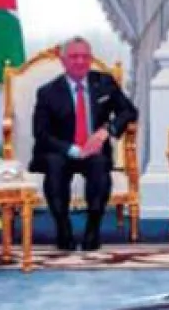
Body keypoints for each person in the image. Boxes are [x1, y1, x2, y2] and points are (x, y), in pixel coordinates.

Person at [31, 36, 138, 251]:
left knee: (99, 165)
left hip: (94, 151)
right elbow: (41, 133)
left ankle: (93, 229)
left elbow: (129, 111)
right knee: (55, 166)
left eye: (85, 57)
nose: (80, 61)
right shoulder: (48, 92)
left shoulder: (104, 83)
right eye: (74, 57)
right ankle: (63, 228)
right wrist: (73, 150)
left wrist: (107, 131)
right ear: (63, 61)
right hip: (61, 151)